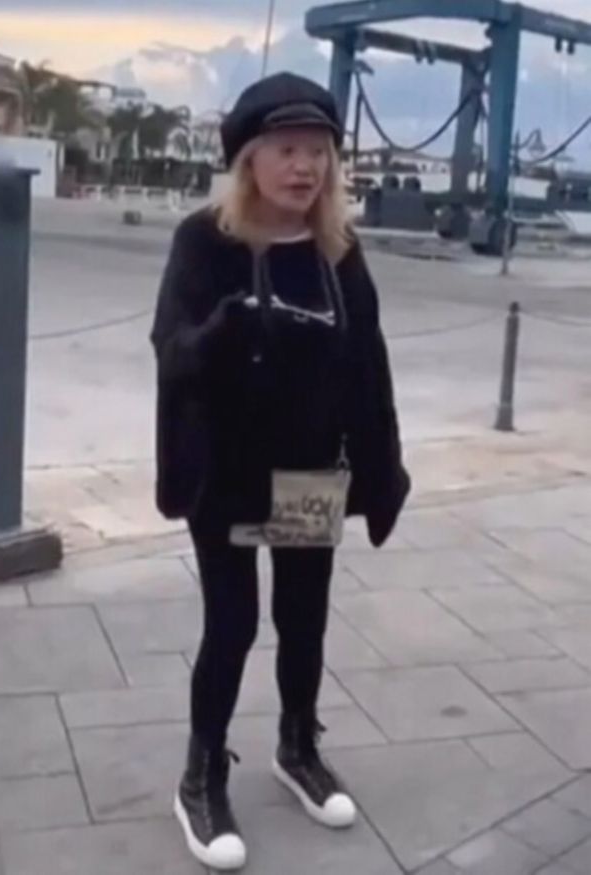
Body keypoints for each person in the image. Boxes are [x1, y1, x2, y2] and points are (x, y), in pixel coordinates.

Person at [151, 72, 411, 870]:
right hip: (226, 471)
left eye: (318, 152)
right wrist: (221, 332)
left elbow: (368, 368)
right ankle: (200, 774)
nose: (305, 167)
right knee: (231, 624)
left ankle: (298, 744)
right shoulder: (204, 241)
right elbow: (171, 349)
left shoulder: (339, 251)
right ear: (250, 160)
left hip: (308, 471)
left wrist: (383, 470)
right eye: (287, 150)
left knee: (304, 619)